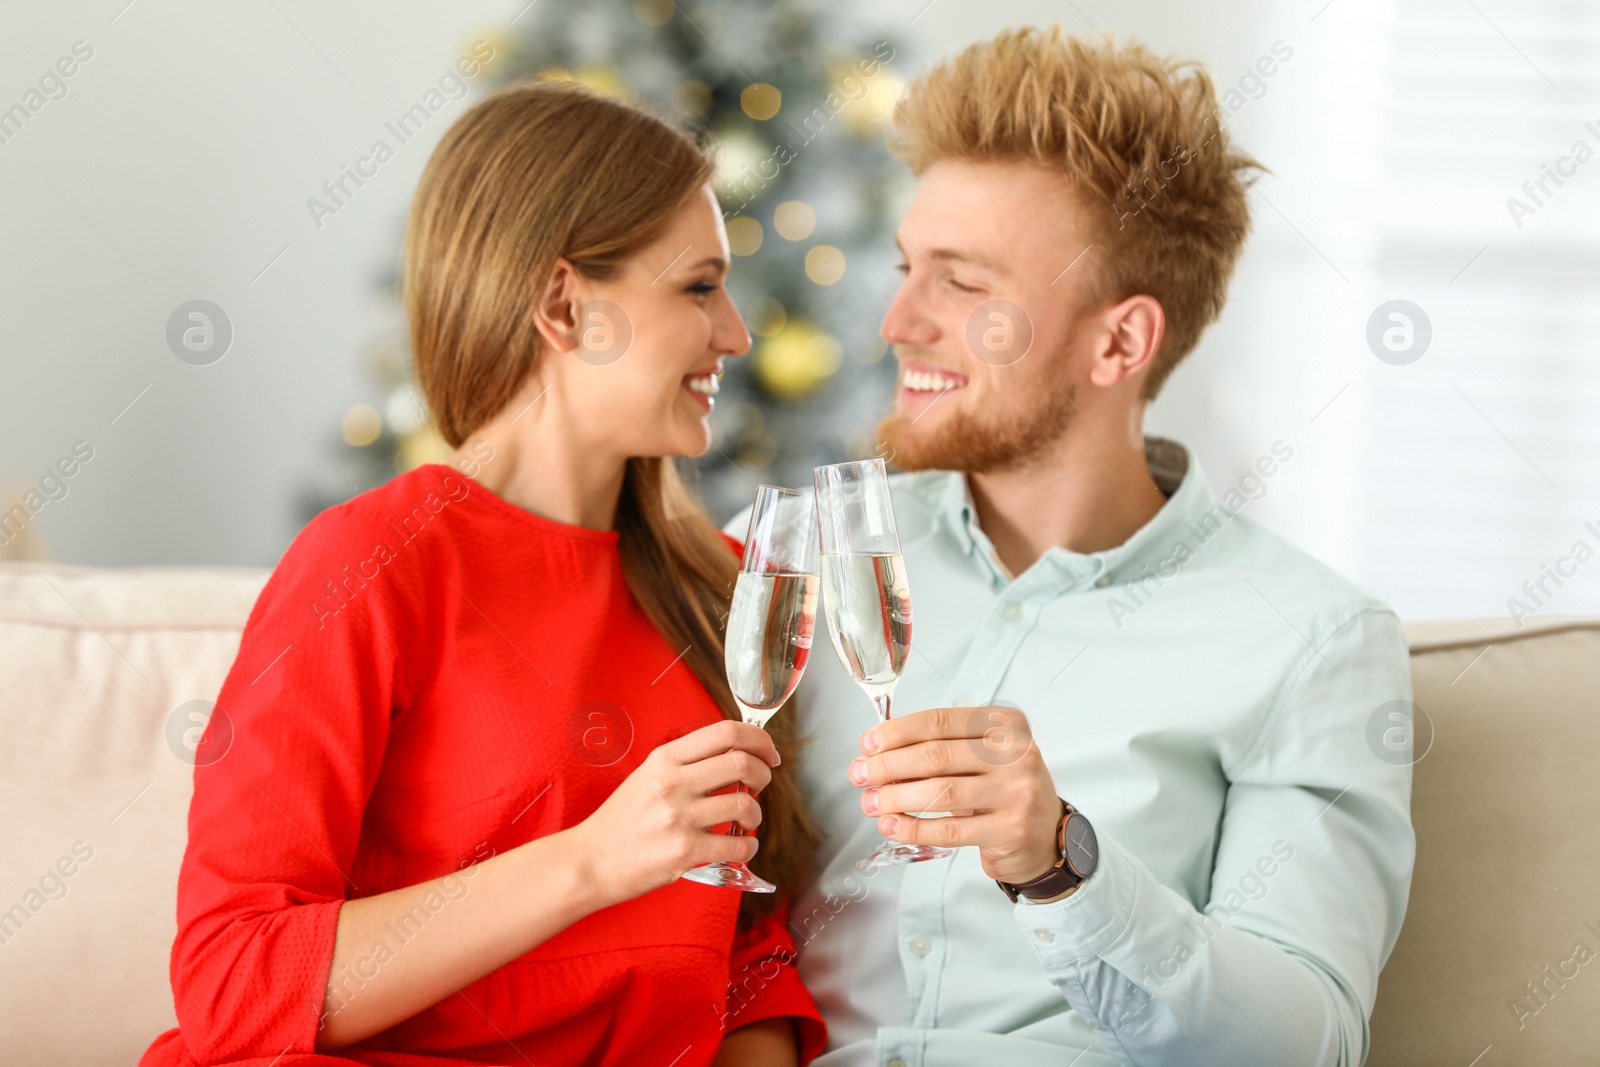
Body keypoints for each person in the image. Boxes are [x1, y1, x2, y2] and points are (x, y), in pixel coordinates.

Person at [746, 28, 1415, 1067]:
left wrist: (1060, 863)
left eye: (962, 284)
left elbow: (1305, 1040)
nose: (896, 321)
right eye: (907, 268)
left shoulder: (1310, 641)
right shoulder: (794, 559)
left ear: (1120, 342)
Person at [141, 83, 827, 1067]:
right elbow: (235, 983)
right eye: (697, 286)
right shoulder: (370, 566)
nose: (735, 333)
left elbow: (748, 956)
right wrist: (590, 859)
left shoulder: (723, 586)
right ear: (564, 307)